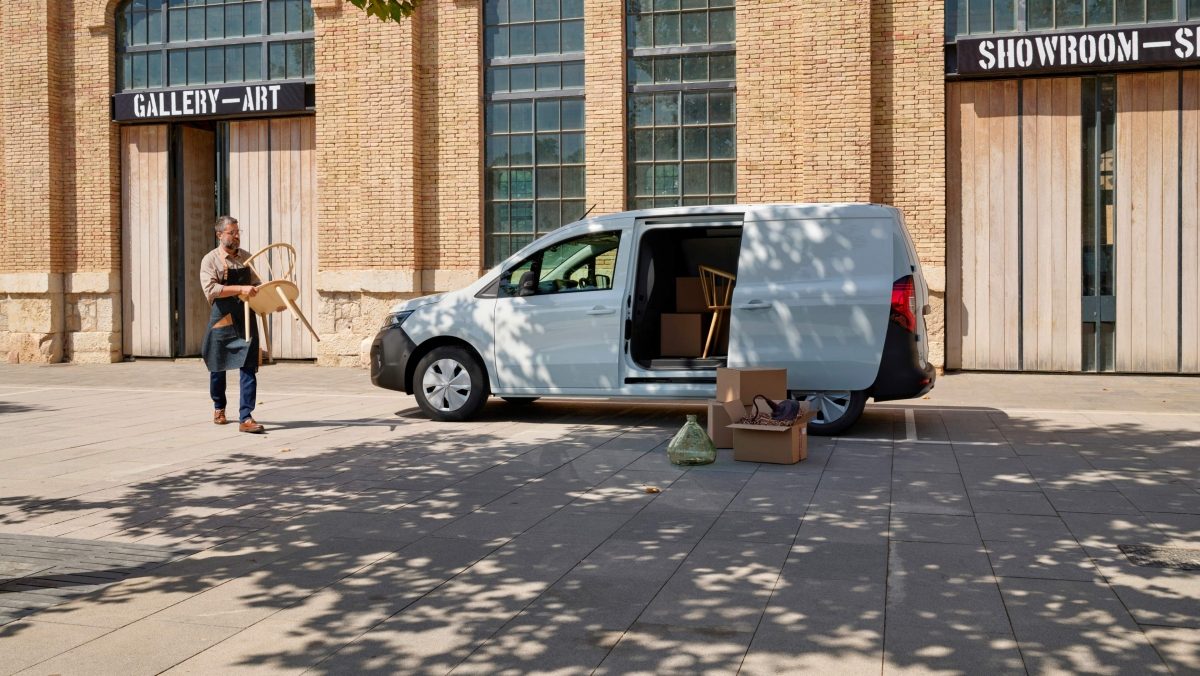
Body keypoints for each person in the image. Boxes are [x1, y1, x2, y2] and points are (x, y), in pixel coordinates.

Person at [199, 216, 265, 433]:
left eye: (238, 232)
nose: (236, 236)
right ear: (220, 235)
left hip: (245, 317)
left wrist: (272, 301)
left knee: (248, 367)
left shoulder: (246, 257)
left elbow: (257, 285)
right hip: (222, 318)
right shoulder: (210, 260)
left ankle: (246, 417)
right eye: (232, 232)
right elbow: (212, 290)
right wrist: (240, 289)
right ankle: (219, 406)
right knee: (218, 365)